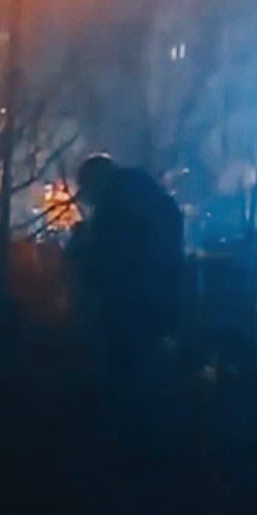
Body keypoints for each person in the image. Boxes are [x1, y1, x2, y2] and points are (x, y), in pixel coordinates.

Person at [73, 154, 185, 369]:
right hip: (162, 304)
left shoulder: (112, 209)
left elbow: (103, 261)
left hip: (125, 309)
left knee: (125, 370)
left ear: (97, 180)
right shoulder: (159, 200)